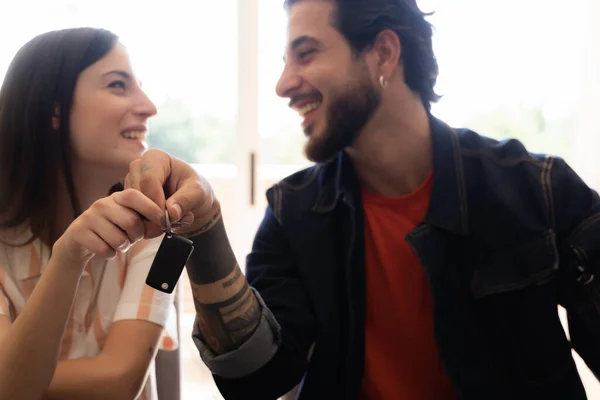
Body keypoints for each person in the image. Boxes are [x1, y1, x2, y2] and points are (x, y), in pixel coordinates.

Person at [128, 0, 600, 399]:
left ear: (384, 53)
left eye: (306, 53)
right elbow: (256, 376)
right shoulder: (294, 214)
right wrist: (204, 227)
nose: (283, 84)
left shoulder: (539, 190)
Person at [0, 28, 178, 400]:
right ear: (53, 109)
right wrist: (68, 258)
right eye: (118, 85)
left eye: (140, 86)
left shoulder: (157, 226)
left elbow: (120, 381)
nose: (148, 106)